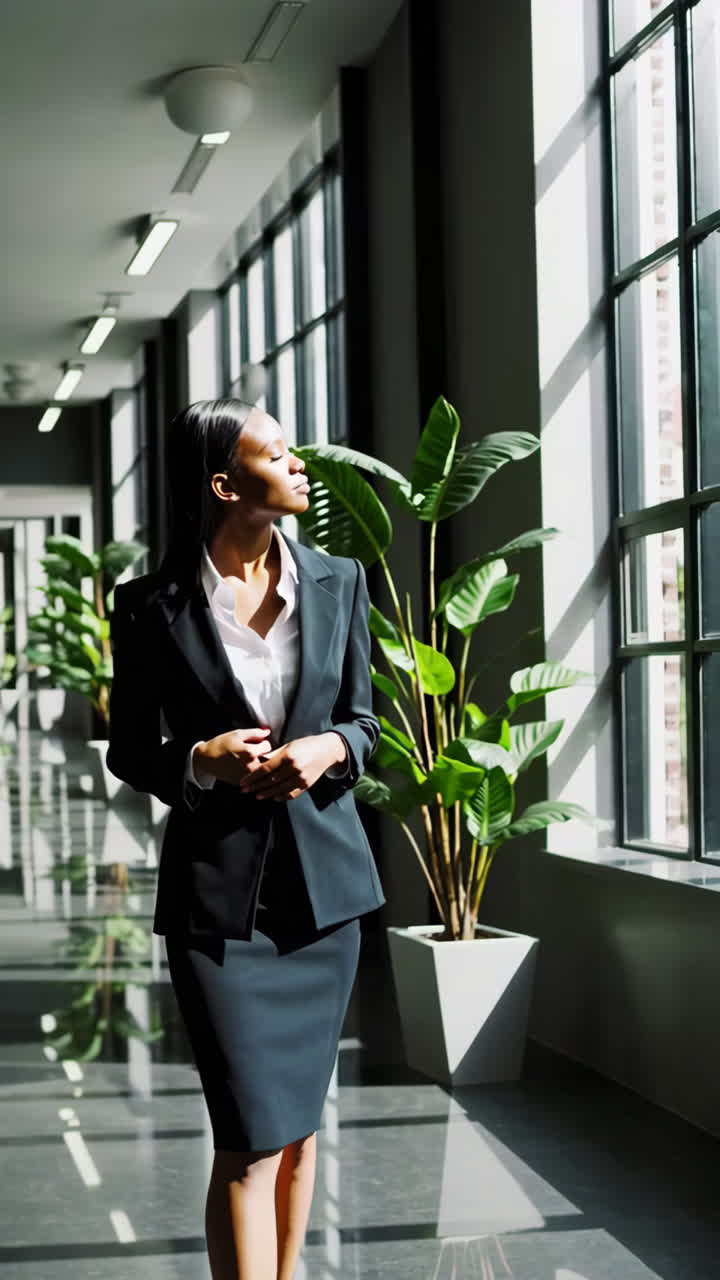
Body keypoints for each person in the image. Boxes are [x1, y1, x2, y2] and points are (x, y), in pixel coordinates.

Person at [106, 398, 385, 1279]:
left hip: (324, 903)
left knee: (297, 1136)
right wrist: (199, 760)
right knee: (248, 1139)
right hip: (218, 910)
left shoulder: (339, 581)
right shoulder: (149, 606)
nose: (301, 463)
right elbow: (128, 751)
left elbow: (367, 724)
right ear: (225, 483)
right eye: (279, 452)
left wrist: (327, 747)